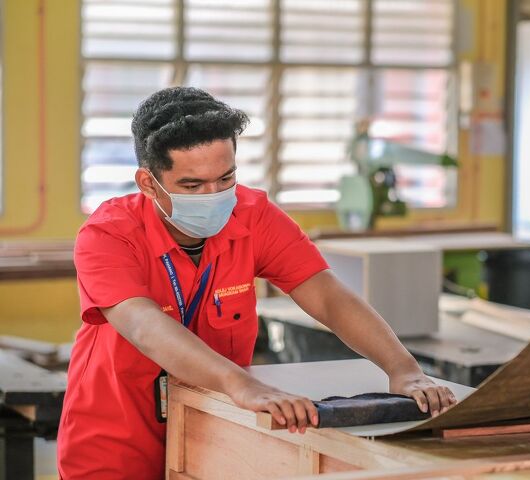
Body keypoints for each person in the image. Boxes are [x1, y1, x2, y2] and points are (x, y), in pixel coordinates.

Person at [57, 87, 456, 479]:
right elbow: (143, 325)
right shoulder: (108, 235)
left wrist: (403, 369)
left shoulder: (254, 216)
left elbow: (326, 294)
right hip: (118, 437)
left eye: (225, 177)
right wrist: (241, 384)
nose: (214, 195)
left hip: (217, 424)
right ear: (148, 183)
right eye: (193, 186)